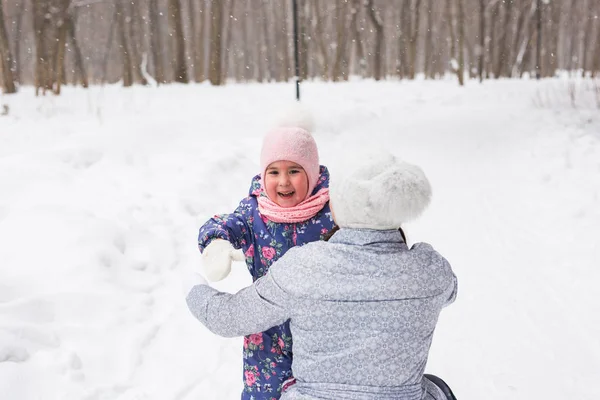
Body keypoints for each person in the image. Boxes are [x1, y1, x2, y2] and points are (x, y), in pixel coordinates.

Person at [187, 151, 458, 400]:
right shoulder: (429, 270)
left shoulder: (304, 267)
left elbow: (228, 318)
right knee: (436, 388)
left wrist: (195, 288)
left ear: (338, 206)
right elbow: (449, 292)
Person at [196, 107, 335, 400]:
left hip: (324, 334)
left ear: (311, 172)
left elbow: (365, 229)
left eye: (294, 171)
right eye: (274, 172)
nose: (283, 181)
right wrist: (217, 243)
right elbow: (223, 223)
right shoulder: (254, 210)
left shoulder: (332, 211)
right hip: (266, 336)